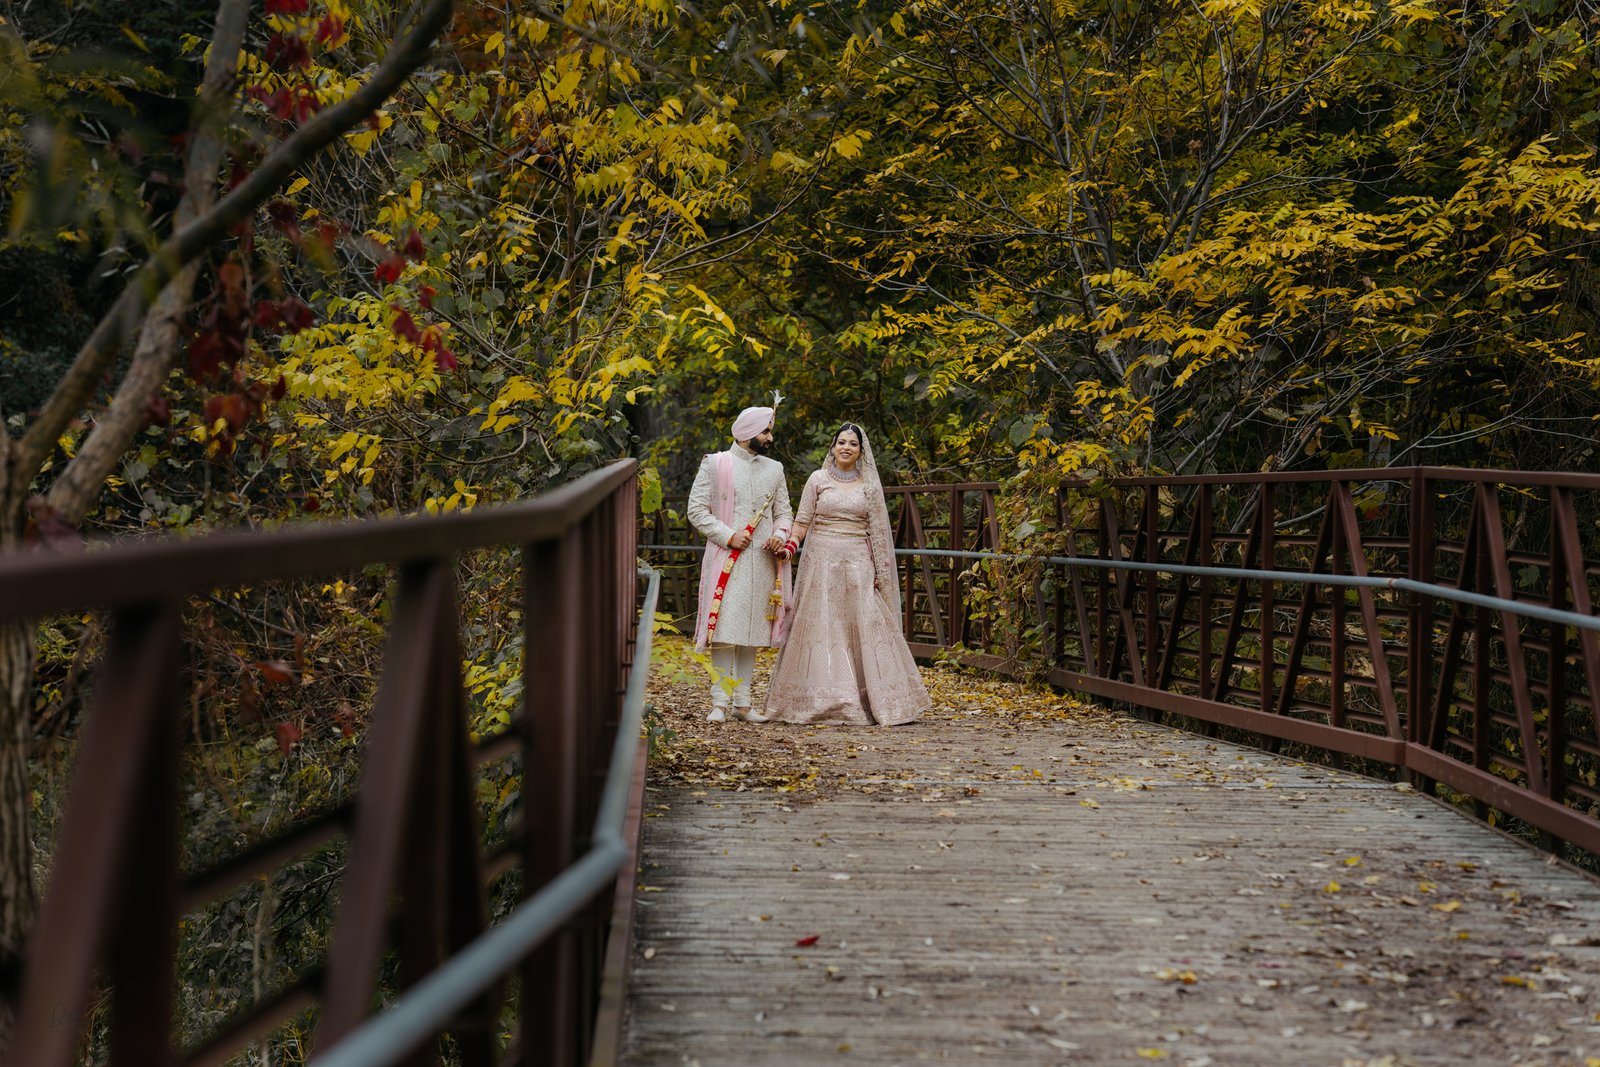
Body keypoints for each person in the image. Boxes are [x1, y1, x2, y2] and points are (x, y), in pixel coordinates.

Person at [763, 423, 930, 725]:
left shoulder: (869, 486)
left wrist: (880, 572)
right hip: (820, 564)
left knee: (864, 625)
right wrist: (789, 547)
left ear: (860, 451)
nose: (846, 448)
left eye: (853, 444)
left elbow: (879, 532)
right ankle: (820, 699)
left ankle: (868, 700)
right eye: (841, 442)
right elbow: (802, 522)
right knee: (823, 627)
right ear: (833, 446)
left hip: (857, 565)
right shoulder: (817, 480)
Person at [687, 400, 794, 723]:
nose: (770, 438)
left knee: (752, 632)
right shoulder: (715, 464)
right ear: (748, 432)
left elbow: (784, 512)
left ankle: (744, 704)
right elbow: (697, 510)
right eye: (765, 431)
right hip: (726, 557)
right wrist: (727, 535)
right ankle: (719, 701)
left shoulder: (774, 470)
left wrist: (780, 533)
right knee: (724, 630)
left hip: (761, 561)